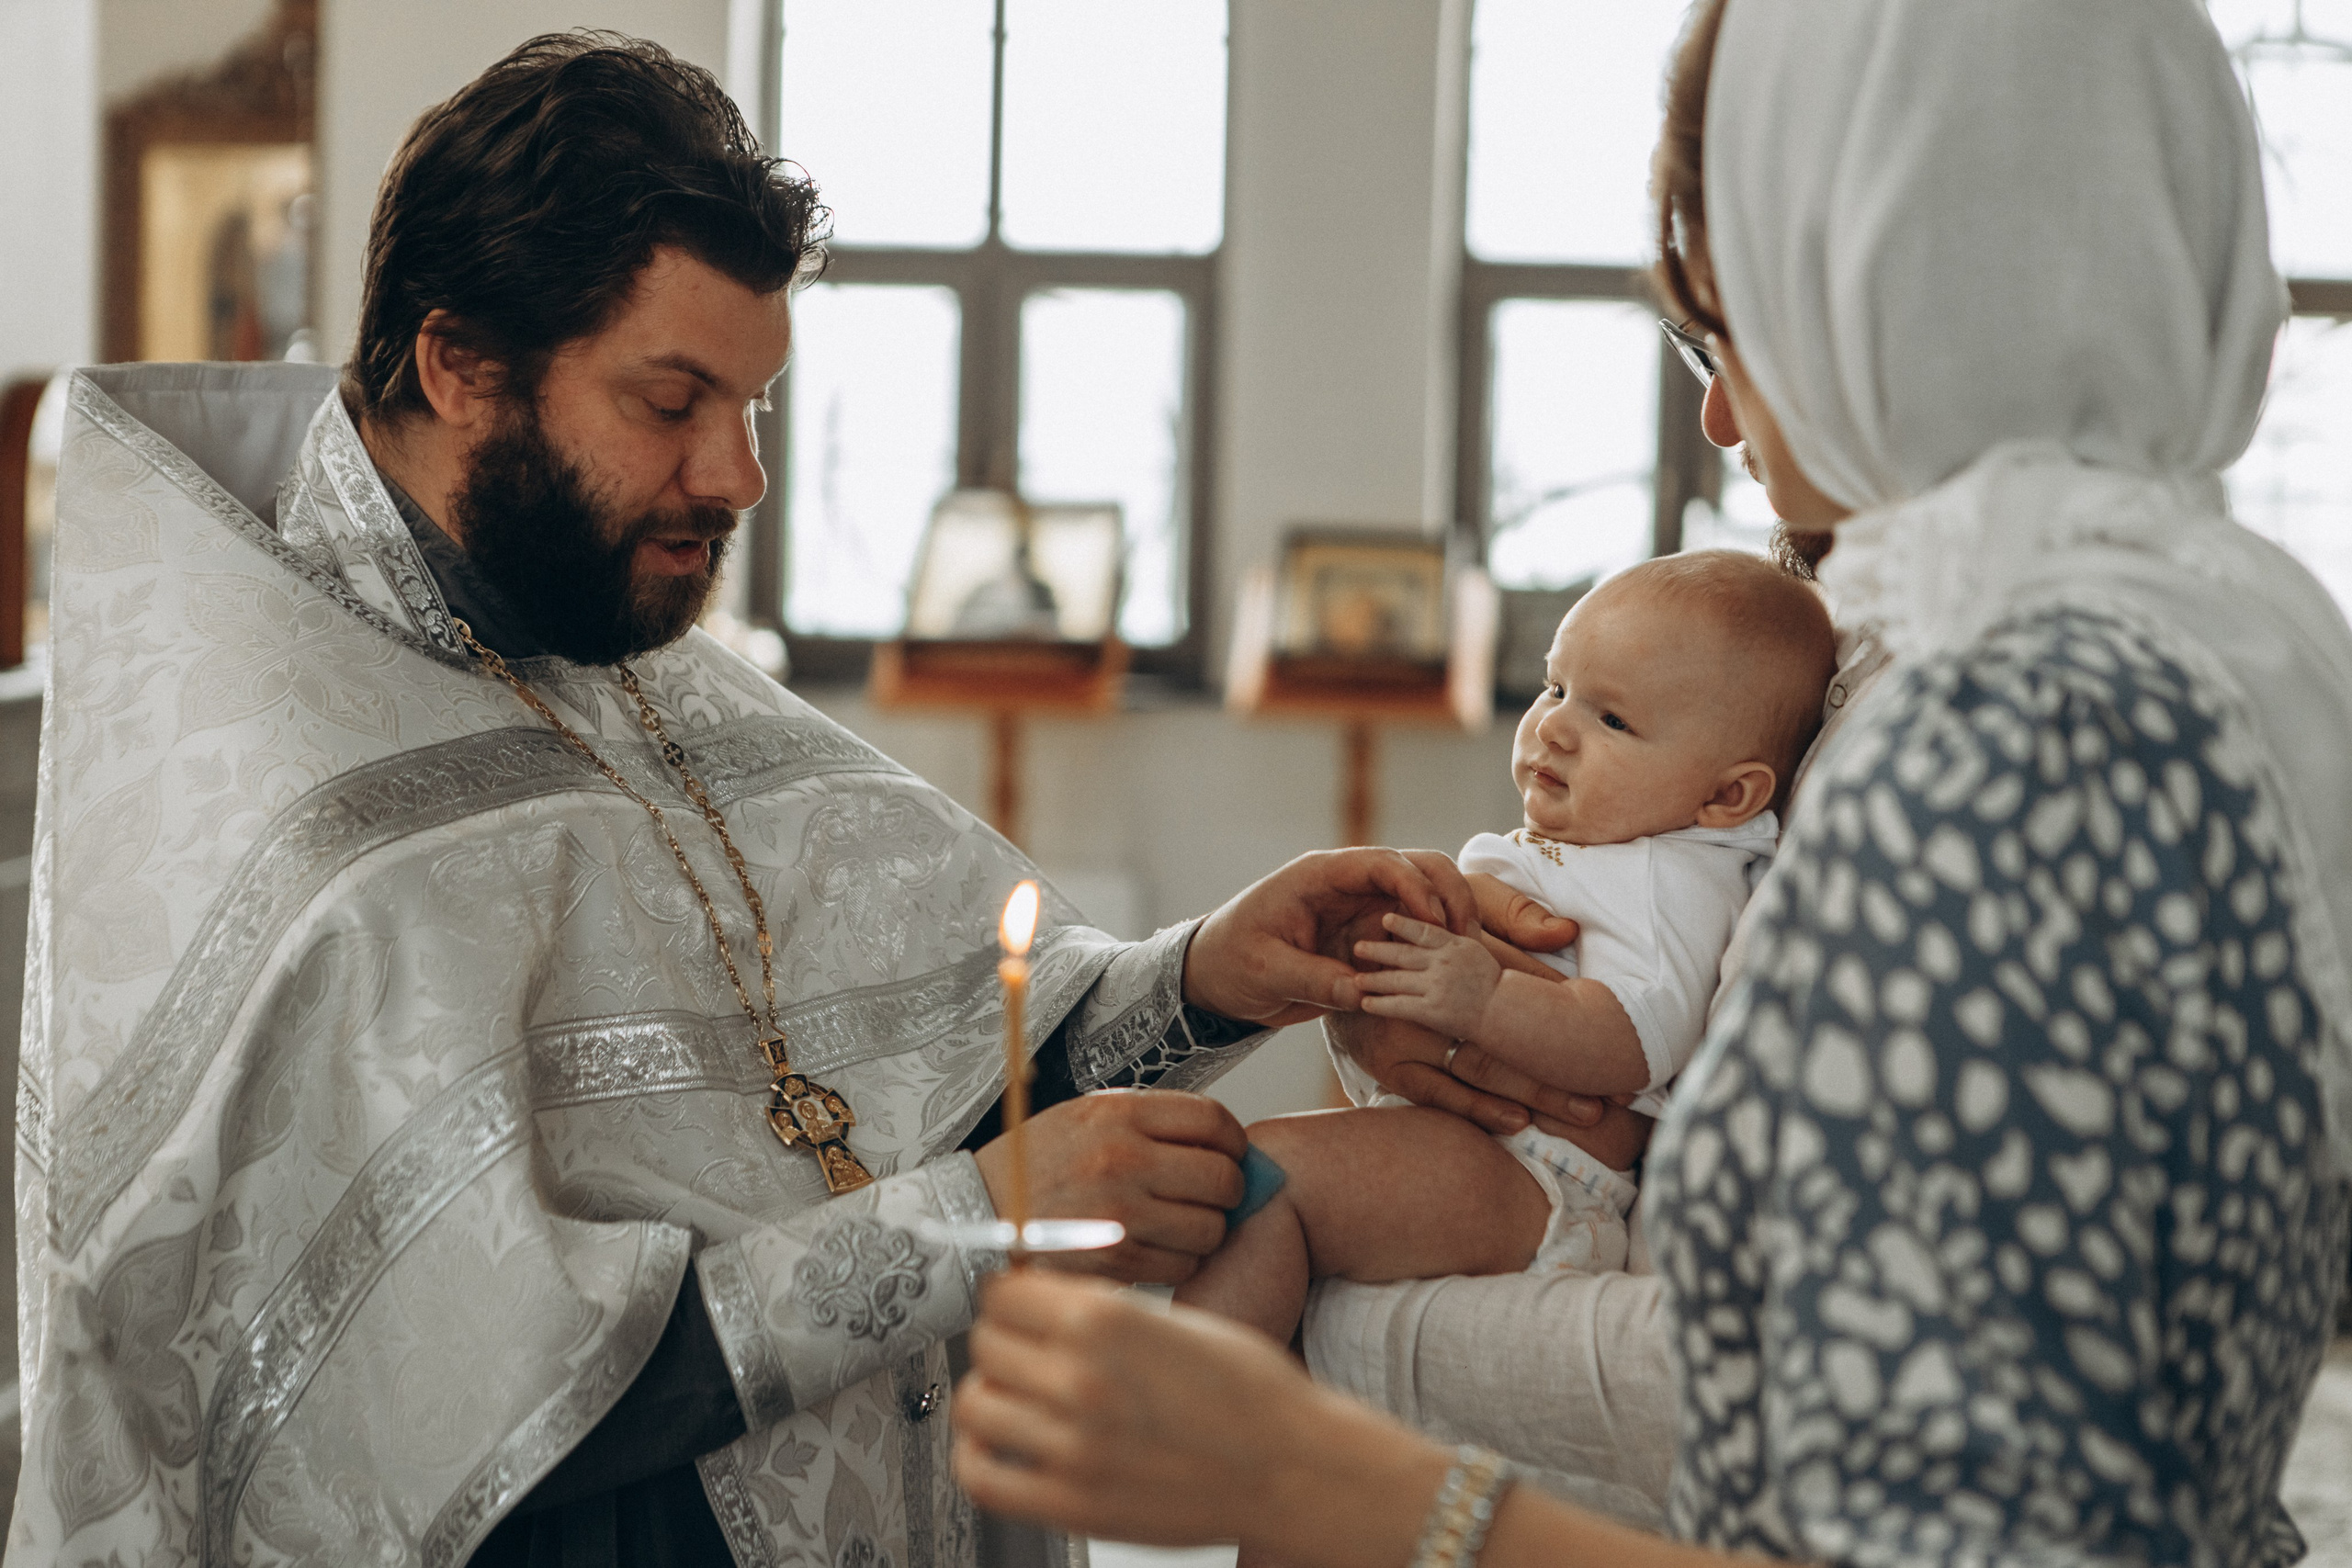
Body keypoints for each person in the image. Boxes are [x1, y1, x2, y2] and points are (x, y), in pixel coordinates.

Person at [11, 34, 1551, 1568]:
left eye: (753, 402)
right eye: (672, 399)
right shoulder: (283, 793)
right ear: (459, 363)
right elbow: (444, 1404)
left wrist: (1212, 972)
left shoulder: (605, 632)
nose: (738, 473)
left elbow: (929, 1043)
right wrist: (964, 1220)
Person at [954, 1, 2352, 1563]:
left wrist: (1316, 1476)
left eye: (1734, 331)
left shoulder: (2007, 736)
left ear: (1897, 277)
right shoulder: (2196, 635)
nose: (1715, 412)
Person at [1177, 555, 1835, 1341]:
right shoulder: (1618, 839)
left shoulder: (1675, 874)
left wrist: (1483, 995)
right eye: (1555, 689)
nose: (1552, 726)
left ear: (1728, 796)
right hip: (1491, 1146)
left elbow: (1635, 1040)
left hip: (1550, 1178)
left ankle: (1190, 1424)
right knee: (1235, 1178)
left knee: (1266, 1182)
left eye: (1612, 719)